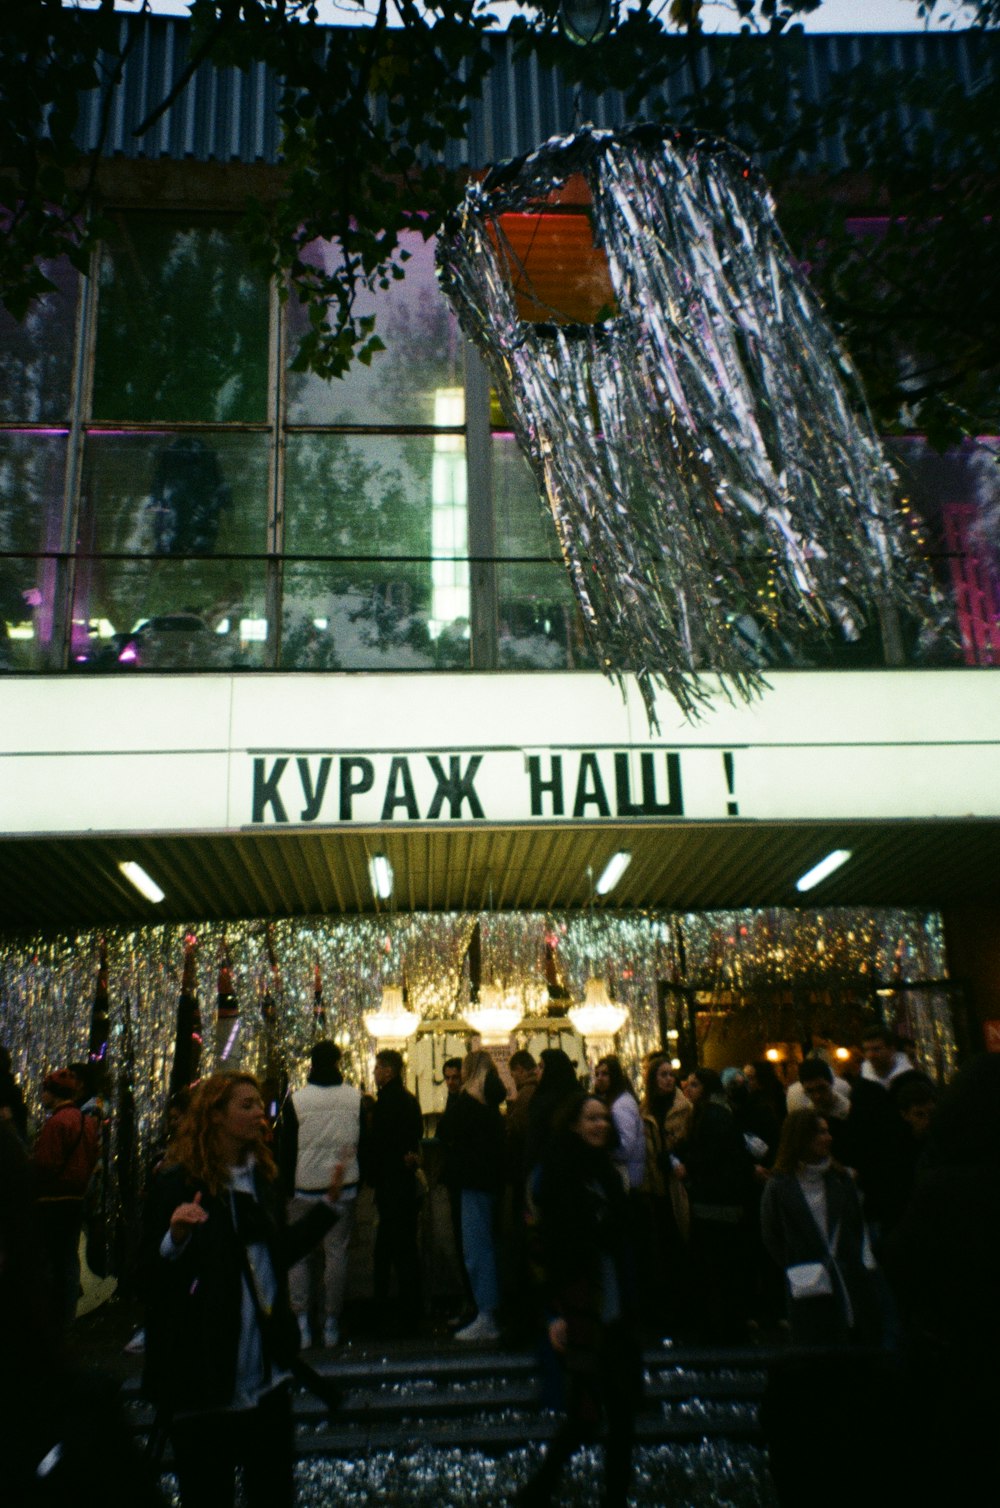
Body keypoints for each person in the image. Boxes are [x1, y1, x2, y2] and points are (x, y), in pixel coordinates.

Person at [141, 1071, 344, 1508]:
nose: (259, 1114)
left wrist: (326, 1208)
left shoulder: (262, 1180)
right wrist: (174, 1238)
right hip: (204, 1377)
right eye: (246, 1105)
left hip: (265, 1377)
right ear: (215, 1116)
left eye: (259, 1104)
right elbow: (150, 1276)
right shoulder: (178, 1182)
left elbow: (273, 1255)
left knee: (272, 1493)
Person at [516, 1092, 641, 1508]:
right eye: (591, 1118)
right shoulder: (553, 1174)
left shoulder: (606, 1173)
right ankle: (540, 1489)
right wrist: (551, 1311)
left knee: (621, 1411)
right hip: (580, 1303)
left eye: (604, 1118)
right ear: (573, 1124)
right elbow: (539, 1248)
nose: (600, 1125)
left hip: (614, 1303)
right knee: (586, 1413)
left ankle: (613, 1495)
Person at [760, 1107, 880, 1348]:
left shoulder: (840, 1179)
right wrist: (794, 1261)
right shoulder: (779, 1185)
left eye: (827, 1131)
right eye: (820, 1133)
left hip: (846, 1274)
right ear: (802, 1138)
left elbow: (856, 1225)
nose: (828, 1137)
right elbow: (771, 1233)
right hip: (806, 1280)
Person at [281, 1040, 362, 1348]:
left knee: (300, 1257)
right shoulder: (354, 1097)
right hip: (343, 1186)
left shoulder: (297, 1100)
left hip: (304, 1186)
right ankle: (331, 1323)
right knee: (336, 1254)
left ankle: (301, 1323)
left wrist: (286, 1187)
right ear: (339, 1062)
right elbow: (361, 1142)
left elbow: (286, 1149)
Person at [675, 1066, 756, 1343]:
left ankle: (724, 1326)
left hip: (716, 1199)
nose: (688, 1089)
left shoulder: (713, 1116)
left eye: (694, 1085)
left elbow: (712, 1154)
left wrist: (689, 1165)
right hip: (719, 1199)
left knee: (718, 1264)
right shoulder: (713, 1113)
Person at [32, 1067, 100, 1330]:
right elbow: (93, 1157)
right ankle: (66, 1319)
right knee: (69, 1260)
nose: (42, 1096)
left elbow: (45, 1164)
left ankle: (47, 1319)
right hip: (76, 1199)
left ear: (53, 1093)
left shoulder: (57, 1123)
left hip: (52, 1201)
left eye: (45, 1091)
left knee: (48, 1261)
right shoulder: (86, 1122)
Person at [365, 1047, 424, 1335]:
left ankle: (383, 1313)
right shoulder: (410, 1101)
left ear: (389, 1071)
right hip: (404, 1184)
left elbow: (378, 1145)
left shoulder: (384, 1104)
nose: (374, 1073)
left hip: (389, 1186)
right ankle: (410, 1311)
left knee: (386, 1251)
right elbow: (416, 1135)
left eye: (377, 1068)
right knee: (406, 1250)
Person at [449, 1048, 507, 1341]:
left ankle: (487, 1315)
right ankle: (491, 1311)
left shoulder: (471, 1097)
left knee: (476, 1248)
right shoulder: (493, 1098)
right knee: (488, 1246)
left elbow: (453, 1131)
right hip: (491, 1180)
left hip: (473, 1181)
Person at [593, 1055, 645, 1191]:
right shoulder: (613, 1101)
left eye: (605, 1074)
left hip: (627, 1176)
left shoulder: (621, 1105)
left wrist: (601, 1150)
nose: (599, 1077)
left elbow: (624, 1147)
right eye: (597, 1074)